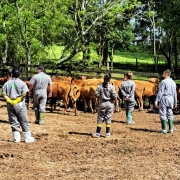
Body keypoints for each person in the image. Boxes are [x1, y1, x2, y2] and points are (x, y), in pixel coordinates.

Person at [2, 69, 34, 143]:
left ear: (11, 74)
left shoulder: (7, 83)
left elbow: (4, 94)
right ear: (19, 75)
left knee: (13, 120)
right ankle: (28, 138)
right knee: (23, 120)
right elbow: (24, 94)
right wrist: (17, 100)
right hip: (19, 103)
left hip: (10, 103)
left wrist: (10, 100)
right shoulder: (22, 83)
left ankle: (16, 138)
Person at [93, 73, 117, 138]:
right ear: (109, 79)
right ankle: (107, 133)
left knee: (100, 118)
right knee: (108, 118)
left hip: (102, 104)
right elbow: (114, 96)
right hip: (110, 104)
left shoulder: (99, 86)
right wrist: (112, 98)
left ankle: (97, 133)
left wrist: (101, 96)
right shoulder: (112, 87)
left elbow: (96, 94)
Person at [155, 69, 177, 133]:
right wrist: (175, 102)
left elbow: (161, 92)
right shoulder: (173, 82)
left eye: (163, 73)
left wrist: (157, 100)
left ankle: (164, 129)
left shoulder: (163, 82)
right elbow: (175, 93)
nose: (162, 74)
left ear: (166, 74)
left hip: (164, 98)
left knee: (162, 112)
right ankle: (171, 129)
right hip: (171, 99)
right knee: (170, 113)